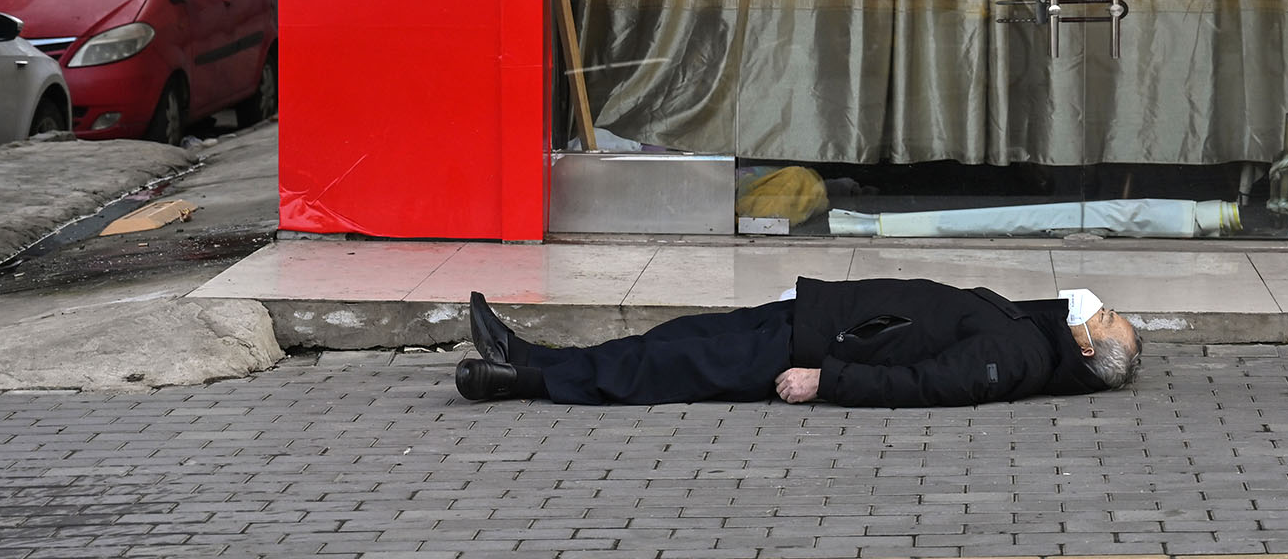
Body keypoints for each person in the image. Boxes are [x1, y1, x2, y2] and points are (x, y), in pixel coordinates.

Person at [454, 278, 1141, 407]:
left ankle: (527, 377)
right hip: (816, 318)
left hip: (817, 348)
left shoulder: (1020, 356)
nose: (1098, 307)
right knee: (673, 341)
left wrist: (827, 379)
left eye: (1105, 316)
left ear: (1090, 349)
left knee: (669, 365)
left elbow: (930, 385)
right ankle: (529, 359)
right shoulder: (1038, 332)